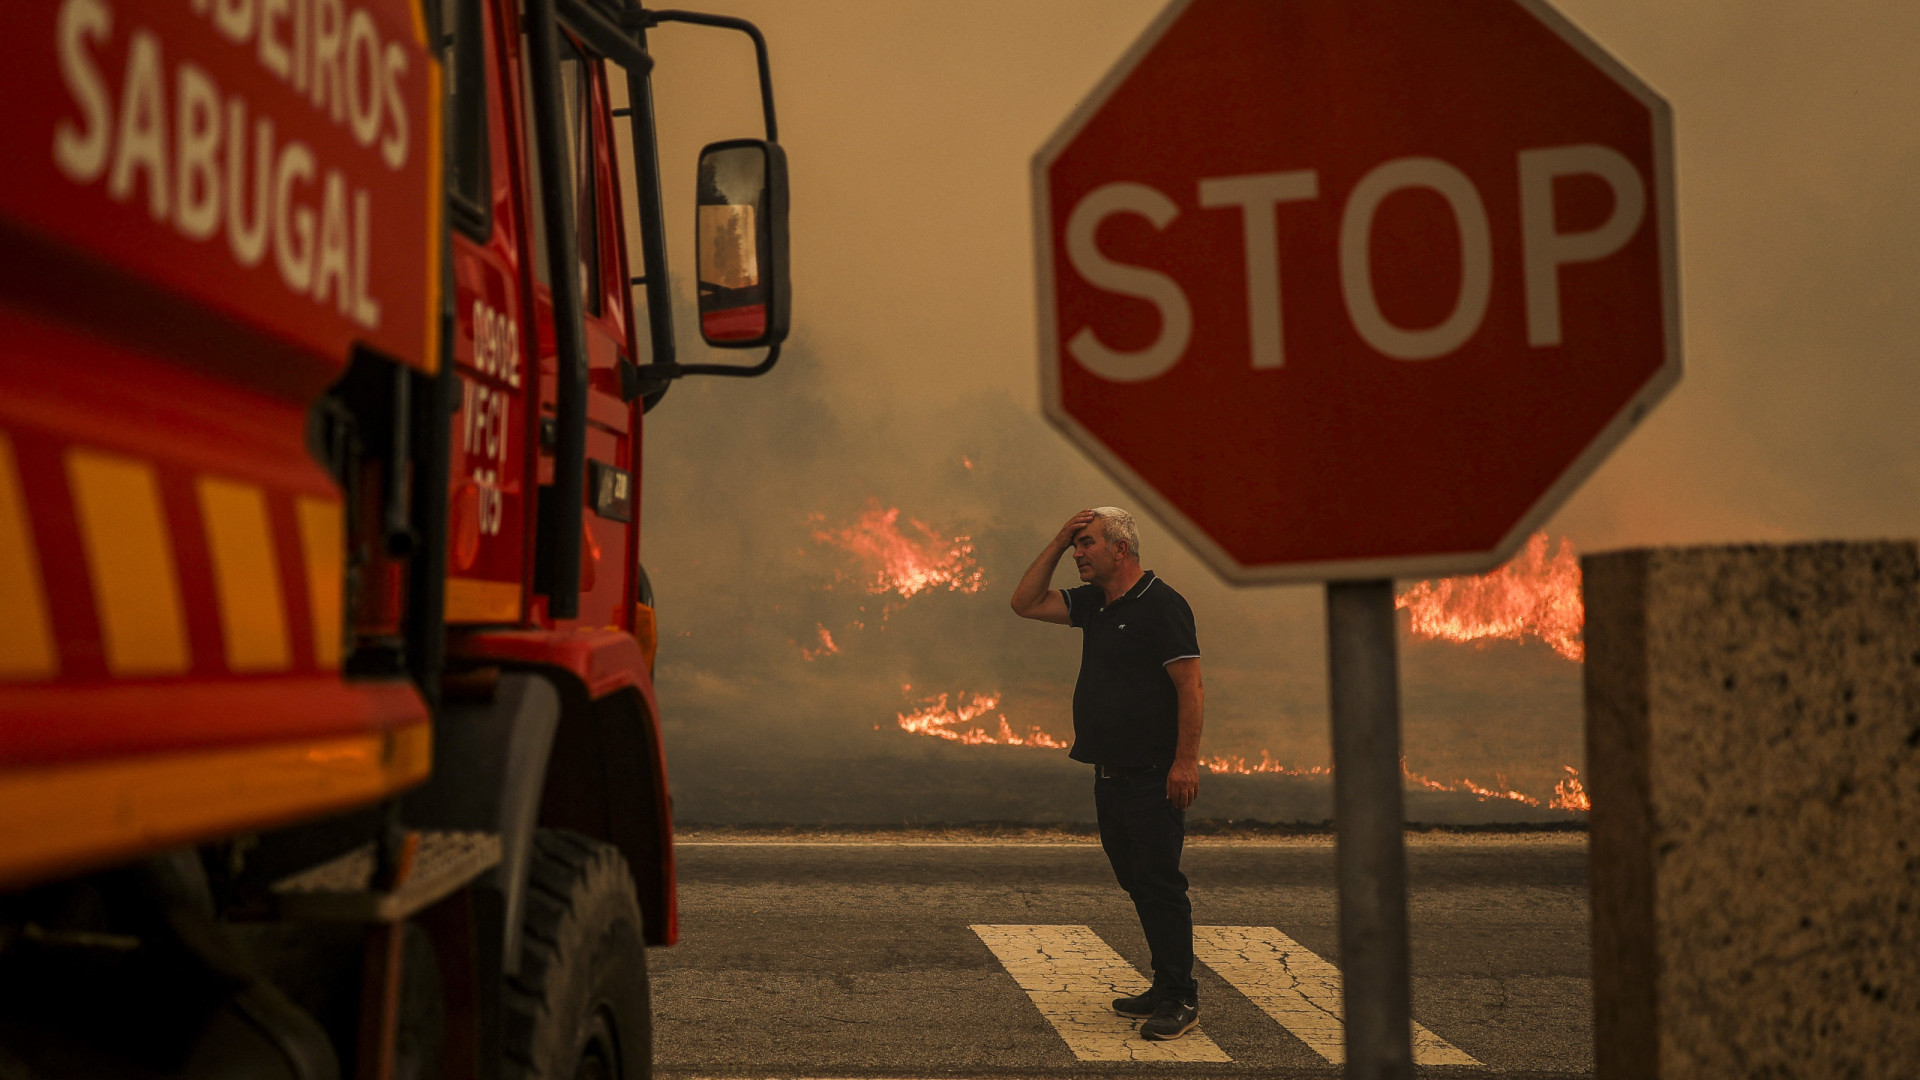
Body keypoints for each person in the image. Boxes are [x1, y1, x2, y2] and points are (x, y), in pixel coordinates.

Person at [1010, 506, 1204, 1041]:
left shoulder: (1161, 605)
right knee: (1135, 880)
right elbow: (1024, 603)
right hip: (1110, 773)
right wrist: (1056, 537)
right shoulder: (1095, 603)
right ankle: (1165, 985)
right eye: (1076, 546)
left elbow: (1190, 687)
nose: (1078, 554)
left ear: (1121, 548)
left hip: (1152, 774)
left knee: (1160, 883)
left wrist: (1185, 762)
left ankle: (1181, 997)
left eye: (1087, 544)